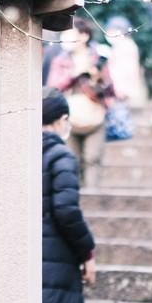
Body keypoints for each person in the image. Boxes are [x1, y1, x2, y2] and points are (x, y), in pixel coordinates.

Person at [41, 90, 97, 303]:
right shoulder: (60, 155)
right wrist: (87, 252)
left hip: (20, 269)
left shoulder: (16, 153)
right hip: (55, 268)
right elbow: (66, 211)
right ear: (62, 121)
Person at [61, 18, 109, 185]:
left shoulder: (99, 57)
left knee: (93, 158)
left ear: (84, 36)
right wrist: (73, 74)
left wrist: (96, 77)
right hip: (69, 115)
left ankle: (92, 196)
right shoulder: (62, 59)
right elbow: (53, 85)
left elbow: (110, 87)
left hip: (95, 113)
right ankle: (74, 197)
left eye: (71, 34)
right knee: (71, 160)